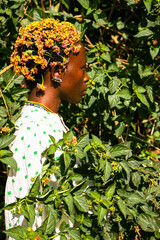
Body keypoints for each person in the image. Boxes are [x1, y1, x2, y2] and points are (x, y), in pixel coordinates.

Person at [5, 18, 89, 239]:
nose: (87, 77)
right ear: (58, 71)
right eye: (82, 68)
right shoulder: (33, 132)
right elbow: (25, 217)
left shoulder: (48, 121)